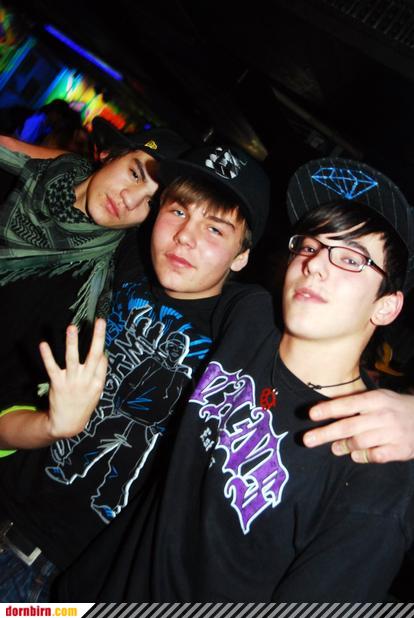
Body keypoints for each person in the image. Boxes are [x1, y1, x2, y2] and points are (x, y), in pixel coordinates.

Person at [56, 156, 414, 602]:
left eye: (350, 258)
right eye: (309, 246)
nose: (316, 265)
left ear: (387, 306)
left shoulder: (376, 467)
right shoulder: (249, 319)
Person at [0, 142, 271, 600]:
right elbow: (71, 182)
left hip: (59, 591)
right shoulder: (116, 262)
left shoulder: (244, 329)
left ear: (241, 256)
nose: (185, 237)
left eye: (215, 228)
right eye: (178, 212)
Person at [0, 121, 188, 448]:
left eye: (150, 203)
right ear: (109, 154)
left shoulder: (83, 300)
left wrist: (51, 427)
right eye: (135, 173)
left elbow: (8, 407)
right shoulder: (13, 174)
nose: (130, 200)